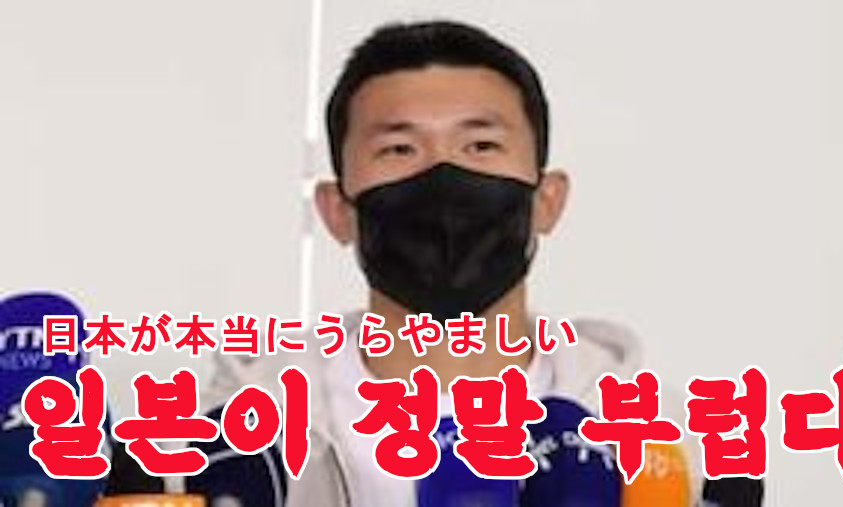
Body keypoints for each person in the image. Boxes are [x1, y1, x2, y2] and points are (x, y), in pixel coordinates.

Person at [191, 20, 706, 506]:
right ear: (337, 211)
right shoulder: (228, 445)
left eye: (480, 145)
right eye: (399, 149)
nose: (443, 172)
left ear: (547, 201)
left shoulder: (668, 447)